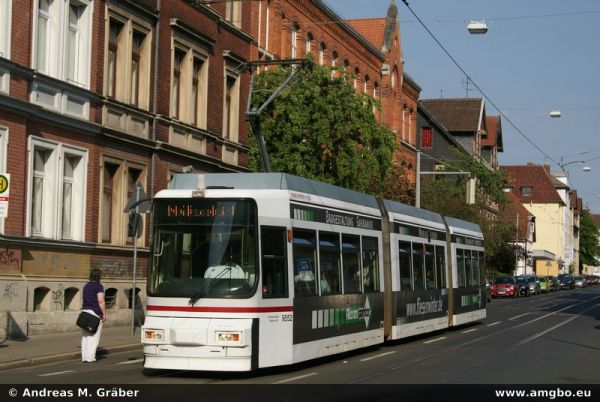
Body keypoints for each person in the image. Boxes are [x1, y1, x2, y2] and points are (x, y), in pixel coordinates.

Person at [80, 268, 106, 363]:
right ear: (98, 277)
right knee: (93, 336)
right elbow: (100, 301)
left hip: (85, 312)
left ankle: (84, 357)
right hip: (95, 313)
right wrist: (104, 313)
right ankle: (90, 357)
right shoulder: (98, 286)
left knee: (85, 336)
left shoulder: (86, 286)